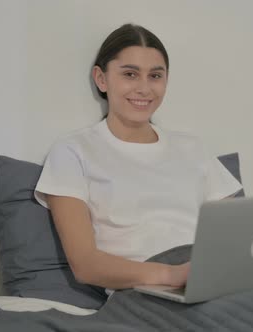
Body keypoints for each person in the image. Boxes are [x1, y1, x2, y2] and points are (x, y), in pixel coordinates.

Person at [34, 24, 242, 294]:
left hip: (207, 278)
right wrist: (172, 275)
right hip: (144, 290)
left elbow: (238, 235)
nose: (144, 88)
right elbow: (86, 264)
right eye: (130, 74)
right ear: (101, 79)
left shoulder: (193, 148)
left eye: (155, 76)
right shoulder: (73, 151)